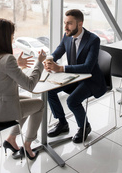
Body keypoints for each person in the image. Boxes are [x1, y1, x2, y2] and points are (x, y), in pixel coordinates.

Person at [0, 18, 46, 160]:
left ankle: (11, 138)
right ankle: (27, 145)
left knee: (27, 103)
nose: (13, 38)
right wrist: (39, 64)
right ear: (5, 37)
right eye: (11, 35)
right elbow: (29, 85)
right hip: (0, 110)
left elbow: (0, 74)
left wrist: (17, 64)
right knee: (39, 105)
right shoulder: (8, 59)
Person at [44, 9, 106, 143]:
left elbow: (88, 67)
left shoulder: (93, 40)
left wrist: (61, 68)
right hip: (74, 76)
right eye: (65, 23)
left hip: (91, 79)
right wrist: (49, 60)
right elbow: (58, 51)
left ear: (80, 24)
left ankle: (85, 127)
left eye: (69, 23)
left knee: (72, 101)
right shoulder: (67, 35)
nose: (65, 27)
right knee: (50, 92)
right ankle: (62, 123)